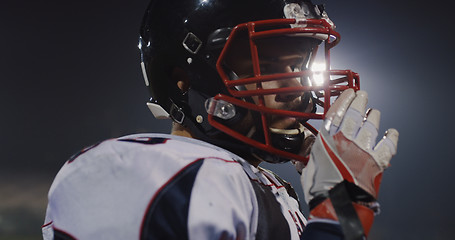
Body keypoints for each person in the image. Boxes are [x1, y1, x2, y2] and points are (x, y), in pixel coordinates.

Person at [42, 0, 399, 239]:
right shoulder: (148, 171)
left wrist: (339, 206)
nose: (298, 88)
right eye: (270, 67)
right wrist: (339, 220)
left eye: (299, 66)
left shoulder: (258, 184)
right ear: (185, 79)